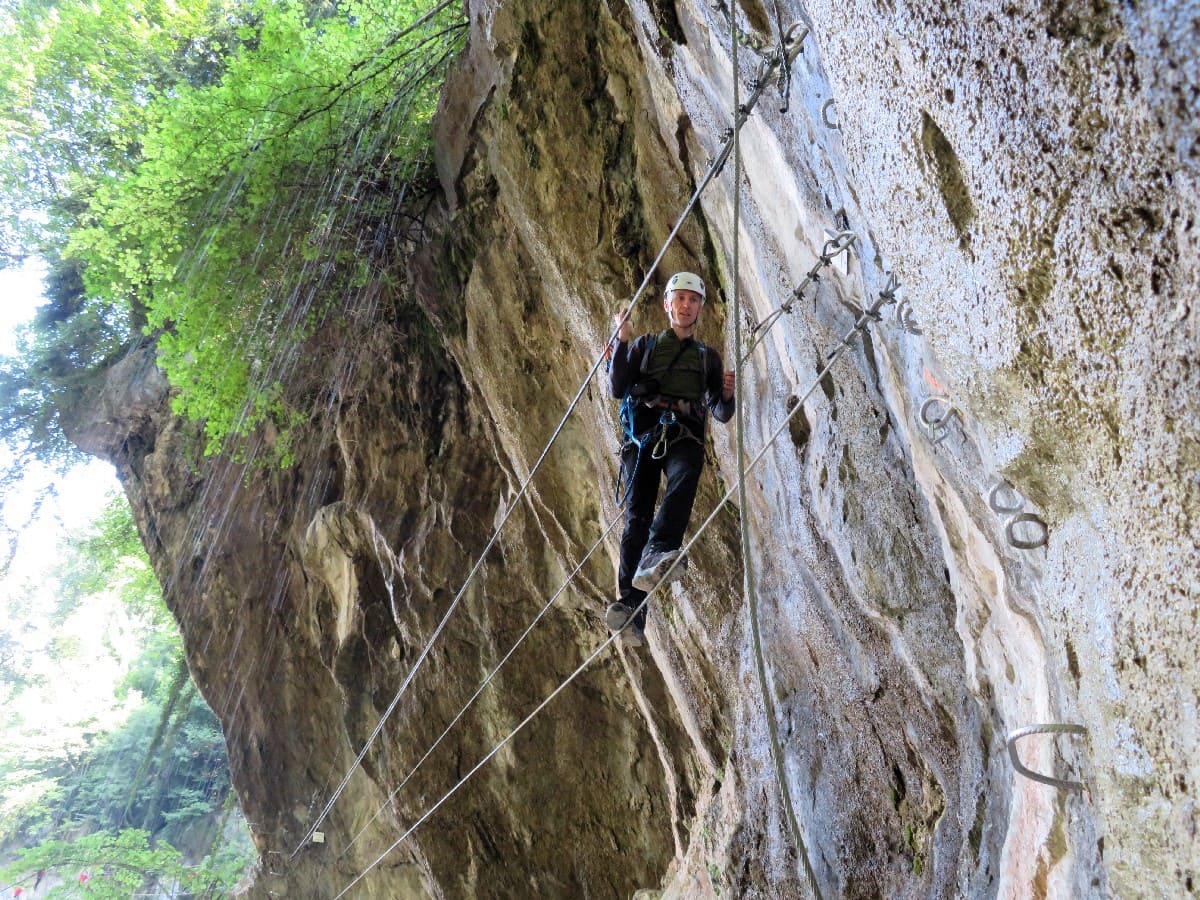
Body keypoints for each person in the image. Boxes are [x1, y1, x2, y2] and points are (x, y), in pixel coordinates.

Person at [606, 271, 735, 647]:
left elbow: (721, 413)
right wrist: (621, 342)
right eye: (680, 298)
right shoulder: (644, 345)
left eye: (693, 300)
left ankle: (659, 549)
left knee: (686, 473)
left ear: (700, 309)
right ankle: (632, 606)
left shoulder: (707, 358)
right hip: (642, 435)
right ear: (667, 305)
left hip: (682, 434)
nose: (686, 305)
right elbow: (617, 387)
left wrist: (726, 395)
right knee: (636, 518)